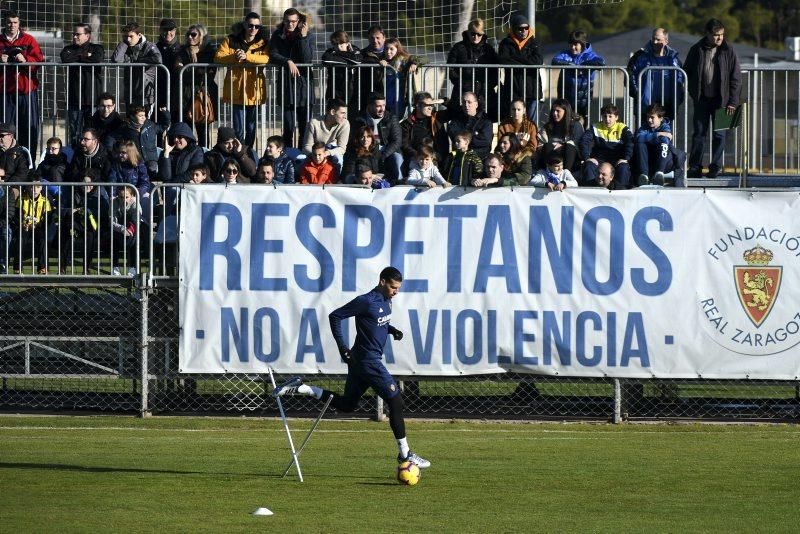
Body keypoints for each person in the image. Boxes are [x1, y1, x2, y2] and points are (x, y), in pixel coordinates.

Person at [272, 266, 431, 470]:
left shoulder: (386, 300)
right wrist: (342, 347)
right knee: (396, 401)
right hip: (368, 361)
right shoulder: (366, 300)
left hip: (360, 362)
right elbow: (335, 316)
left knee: (347, 405)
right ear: (382, 281)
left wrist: (392, 330)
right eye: (393, 287)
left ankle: (302, 387)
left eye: (398, 288)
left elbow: (376, 324)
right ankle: (405, 455)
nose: (396, 292)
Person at [683, 18, 741, 179]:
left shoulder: (729, 51)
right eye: (716, 35)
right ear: (708, 34)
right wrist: (693, 92)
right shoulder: (696, 49)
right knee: (699, 134)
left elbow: (736, 78)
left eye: (722, 35)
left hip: (722, 101)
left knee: (719, 135)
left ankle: (715, 167)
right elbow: (686, 72)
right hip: (702, 100)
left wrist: (733, 102)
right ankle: (695, 167)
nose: (720, 38)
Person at [215, 12, 270, 149]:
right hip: (237, 90)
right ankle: (239, 153)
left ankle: (248, 153)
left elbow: (266, 59)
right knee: (238, 129)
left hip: (254, 90)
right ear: (245, 25)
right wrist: (235, 56)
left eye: (257, 26)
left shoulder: (263, 42)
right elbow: (218, 57)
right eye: (250, 25)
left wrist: (247, 57)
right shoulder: (231, 40)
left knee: (251, 128)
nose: (253, 29)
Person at [0, 11, 44, 157]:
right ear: (4, 23)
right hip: (5, 93)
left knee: (29, 128)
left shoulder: (29, 40)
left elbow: (38, 61)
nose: (11, 25)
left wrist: (25, 59)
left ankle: (28, 163)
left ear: (19, 24)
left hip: (26, 92)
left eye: (15, 22)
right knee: (5, 129)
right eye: (9, 22)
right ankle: (5, 163)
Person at [269, 8, 314, 148]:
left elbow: (307, 59)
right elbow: (273, 54)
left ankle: (302, 158)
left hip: (304, 87)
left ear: (299, 21)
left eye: (294, 21)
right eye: (287, 21)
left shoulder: (308, 36)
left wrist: (303, 37)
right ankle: (287, 156)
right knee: (288, 128)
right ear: (283, 20)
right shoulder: (277, 35)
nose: (290, 24)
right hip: (286, 87)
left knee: (304, 129)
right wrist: (288, 61)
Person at [628, 28, 685, 123]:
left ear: (666, 41)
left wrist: (678, 99)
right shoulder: (640, 56)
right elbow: (630, 74)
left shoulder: (674, 59)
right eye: (653, 39)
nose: (654, 42)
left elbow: (680, 80)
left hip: (666, 108)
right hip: (645, 107)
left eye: (658, 39)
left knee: (664, 136)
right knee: (643, 137)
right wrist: (636, 93)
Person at [60, 23, 104, 145]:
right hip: (74, 100)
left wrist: (78, 57)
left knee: (93, 134)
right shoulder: (68, 49)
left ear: (87, 36)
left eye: (78, 34)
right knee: (75, 135)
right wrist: (85, 56)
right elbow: (65, 58)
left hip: (93, 101)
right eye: (73, 34)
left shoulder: (97, 48)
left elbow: (97, 59)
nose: (74, 37)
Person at [58, 168, 109, 274]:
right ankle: (62, 267)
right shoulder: (73, 191)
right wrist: (73, 210)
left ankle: (86, 268)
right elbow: (62, 209)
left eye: (89, 183)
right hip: (76, 223)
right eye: (83, 183)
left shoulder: (100, 192)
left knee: (90, 235)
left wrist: (87, 211)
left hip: (94, 224)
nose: (86, 186)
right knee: (66, 230)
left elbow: (104, 212)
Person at [176, 24, 218, 149]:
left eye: (193, 34)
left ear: (202, 36)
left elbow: (209, 74)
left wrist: (189, 68)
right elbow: (178, 70)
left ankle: (203, 155)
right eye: (188, 34)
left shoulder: (209, 52)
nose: (190, 37)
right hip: (185, 94)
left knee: (203, 131)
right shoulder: (182, 50)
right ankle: (188, 154)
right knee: (186, 130)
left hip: (202, 94)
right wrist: (196, 70)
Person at [446, 19, 499, 118]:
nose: (476, 37)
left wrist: (490, 84)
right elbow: (451, 68)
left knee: (483, 121)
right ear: (468, 33)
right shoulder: (458, 48)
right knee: (461, 121)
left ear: (483, 34)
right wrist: (461, 84)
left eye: (479, 34)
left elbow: (495, 70)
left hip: (484, 93)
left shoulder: (489, 49)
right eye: (473, 34)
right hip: (462, 92)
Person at [550, 30, 605, 123]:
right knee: (565, 122)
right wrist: (571, 65)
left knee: (584, 124)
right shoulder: (565, 54)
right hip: (566, 96)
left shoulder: (590, 55)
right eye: (571, 44)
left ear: (583, 44)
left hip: (584, 98)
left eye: (576, 45)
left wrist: (583, 66)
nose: (572, 47)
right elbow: (555, 61)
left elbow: (601, 62)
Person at [350, 93, 403, 183]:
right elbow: (356, 139)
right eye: (378, 106)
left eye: (383, 105)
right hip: (367, 149)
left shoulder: (391, 118)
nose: (382, 109)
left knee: (397, 157)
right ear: (370, 106)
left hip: (387, 150)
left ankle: (399, 184)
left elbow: (397, 141)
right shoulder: (360, 119)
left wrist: (384, 155)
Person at [498, 14, 543, 121]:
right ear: (513, 29)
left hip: (531, 90)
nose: (524, 31)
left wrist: (517, 58)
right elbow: (504, 60)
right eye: (520, 28)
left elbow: (538, 61)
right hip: (513, 90)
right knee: (513, 122)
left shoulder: (534, 42)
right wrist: (527, 62)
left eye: (526, 28)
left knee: (531, 123)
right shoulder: (506, 43)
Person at [112, 22, 162, 115]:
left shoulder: (148, 46)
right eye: (125, 36)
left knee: (144, 124)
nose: (128, 39)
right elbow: (116, 59)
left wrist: (138, 61)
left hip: (145, 95)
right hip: (130, 94)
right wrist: (123, 43)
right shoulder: (126, 47)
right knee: (131, 125)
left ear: (139, 35)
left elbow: (158, 59)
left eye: (131, 36)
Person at [580, 104, 633, 188]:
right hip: (599, 160)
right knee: (589, 165)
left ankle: (621, 194)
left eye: (610, 116)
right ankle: (590, 192)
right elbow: (584, 141)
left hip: (616, 160)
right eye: (605, 116)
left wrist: (626, 158)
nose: (607, 119)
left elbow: (630, 142)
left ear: (616, 117)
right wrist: (587, 157)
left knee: (624, 167)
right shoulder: (595, 127)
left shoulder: (622, 128)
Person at [399, 92, 449, 172]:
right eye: (427, 105)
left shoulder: (436, 118)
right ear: (418, 105)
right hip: (417, 160)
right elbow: (404, 144)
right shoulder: (406, 124)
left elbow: (455, 110)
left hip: (437, 159)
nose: (430, 108)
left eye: (431, 105)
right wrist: (420, 156)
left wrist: (444, 101)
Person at [12, 182, 52, 274]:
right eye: (32, 187)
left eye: (37, 187)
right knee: (20, 239)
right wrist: (22, 224)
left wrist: (39, 224)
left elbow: (48, 218)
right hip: (24, 226)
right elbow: (15, 215)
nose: (34, 189)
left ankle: (42, 268)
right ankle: (18, 268)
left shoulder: (45, 200)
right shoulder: (21, 199)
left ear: (41, 188)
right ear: (28, 187)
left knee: (43, 240)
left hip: (38, 227)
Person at [119, 105, 170, 177]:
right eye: (140, 116)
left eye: (144, 115)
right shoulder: (126, 128)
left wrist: (166, 114)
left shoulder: (150, 125)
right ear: (132, 116)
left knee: (152, 174)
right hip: (135, 160)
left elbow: (163, 125)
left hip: (151, 160)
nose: (143, 117)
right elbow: (112, 137)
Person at [302, 98, 350, 170]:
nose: (345, 116)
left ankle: (335, 179)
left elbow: (342, 148)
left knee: (339, 159)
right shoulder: (314, 123)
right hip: (314, 154)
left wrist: (327, 153)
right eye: (342, 113)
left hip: (331, 153)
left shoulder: (345, 124)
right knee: (300, 160)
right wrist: (317, 155)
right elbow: (307, 146)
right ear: (332, 112)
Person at [633, 103, 675, 186]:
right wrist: (657, 134)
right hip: (647, 159)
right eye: (648, 117)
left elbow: (666, 138)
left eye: (652, 117)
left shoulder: (665, 126)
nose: (649, 120)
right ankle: (644, 176)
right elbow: (638, 138)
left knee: (663, 141)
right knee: (640, 143)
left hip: (662, 161)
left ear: (661, 118)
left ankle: (659, 174)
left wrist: (648, 138)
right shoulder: (644, 127)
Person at [444, 91, 494, 160]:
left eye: (469, 102)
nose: (466, 105)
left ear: (476, 104)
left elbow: (485, 142)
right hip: (460, 157)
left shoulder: (485, 121)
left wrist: (464, 138)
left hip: (480, 159)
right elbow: (453, 133)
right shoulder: (457, 119)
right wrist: (474, 135)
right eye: (464, 102)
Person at [538, 99, 584, 172]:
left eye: (558, 111)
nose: (554, 113)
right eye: (553, 111)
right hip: (553, 156)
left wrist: (563, 146)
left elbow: (578, 144)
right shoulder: (548, 126)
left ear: (565, 112)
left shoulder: (575, 125)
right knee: (547, 146)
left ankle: (566, 174)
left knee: (569, 147)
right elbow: (540, 143)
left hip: (570, 158)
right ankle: (548, 173)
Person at [383, 38, 424, 117]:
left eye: (391, 49)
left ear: (397, 49)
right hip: (386, 96)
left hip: (400, 97)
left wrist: (415, 63)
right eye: (386, 49)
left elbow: (424, 59)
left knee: (398, 117)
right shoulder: (383, 60)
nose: (388, 52)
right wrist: (380, 63)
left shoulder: (405, 59)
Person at [321, 31, 362, 107]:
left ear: (347, 43)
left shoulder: (354, 49)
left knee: (351, 116)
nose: (339, 47)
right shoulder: (330, 52)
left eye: (341, 44)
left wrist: (338, 55)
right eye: (336, 45)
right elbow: (326, 60)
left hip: (352, 92)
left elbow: (357, 60)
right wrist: (348, 61)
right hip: (334, 92)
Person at [109, 183, 140, 276]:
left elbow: (137, 220)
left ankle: (133, 267)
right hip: (119, 227)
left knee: (135, 239)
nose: (124, 200)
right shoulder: (114, 202)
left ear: (132, 196)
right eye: (121, 197)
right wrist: (122, 229)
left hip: (133, 227)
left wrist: (130, 230)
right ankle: (115, 266)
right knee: (113, 238)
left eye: (126, 197)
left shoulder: (135, 203)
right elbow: (112, 221)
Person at [357, 25, 388, 114]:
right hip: (367, 94)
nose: (375, 41)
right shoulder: (362, 54)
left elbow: (408, 57)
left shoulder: (391, 52)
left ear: (384, 38)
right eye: (372, 38)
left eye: (378, 38)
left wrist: (414, 62)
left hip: (387, 93)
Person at [155, 19, 181, 120]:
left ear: (175, 31)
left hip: (176, 93)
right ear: (160, 31)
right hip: (159, 92)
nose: (168, 33)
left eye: (171, 30)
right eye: (165, 30)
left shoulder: (181, 49)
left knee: (175, 123)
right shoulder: (154, 48)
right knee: (159, 122)